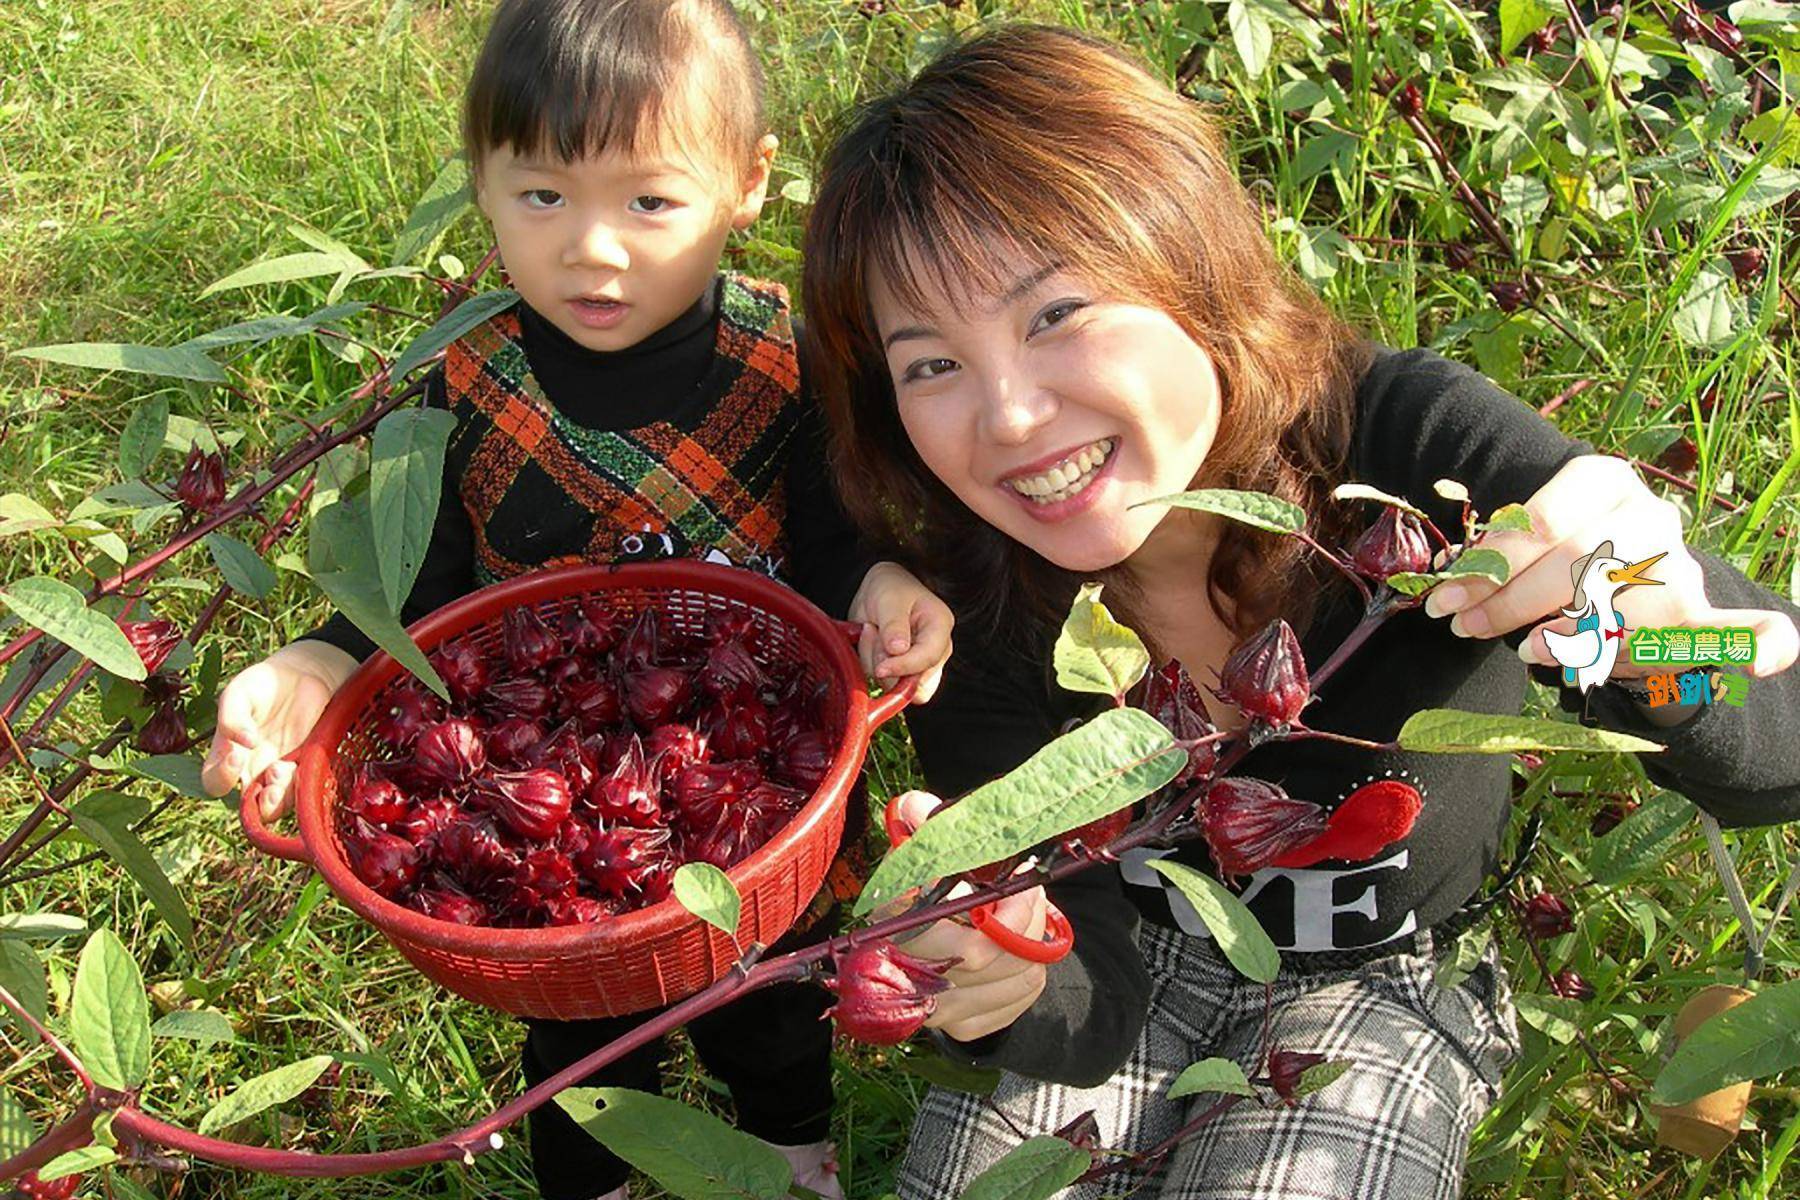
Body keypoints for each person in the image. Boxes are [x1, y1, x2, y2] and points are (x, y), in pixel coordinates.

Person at [799, 22, 1800, 1199]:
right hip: (1144, 945)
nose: (1009, 416)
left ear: (1194, 267)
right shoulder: (981, 596)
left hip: (1386, 972)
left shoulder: (1410, 450)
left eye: (1055, 313)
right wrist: (1010, 985)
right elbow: (1090, 995)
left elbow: (1773, 757)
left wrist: (1657, 634)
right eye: (931, 366)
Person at [198, 3, 955, 1198]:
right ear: (482, 187)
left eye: (651, 202)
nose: (593, 250)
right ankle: (596, 1171)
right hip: (551, 814)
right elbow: (419, 588)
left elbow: (832, 544)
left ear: (747, 186)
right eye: (542, 197)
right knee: (581, 1044)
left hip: (756, 796)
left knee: (772, 1001)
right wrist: (315, 666)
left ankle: (786, 1149)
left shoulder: (787, 363)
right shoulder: (460, 385)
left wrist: (885, 582)